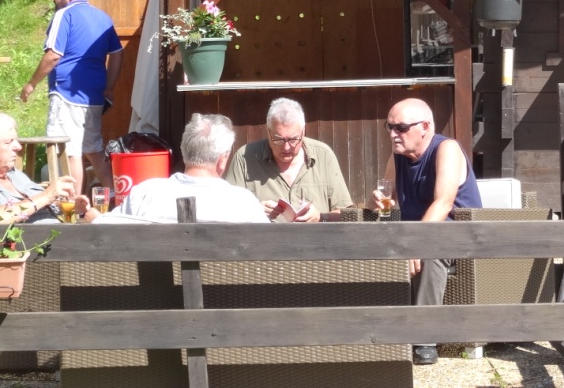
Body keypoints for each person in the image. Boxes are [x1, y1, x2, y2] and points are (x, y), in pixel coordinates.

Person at [369, 97, 482, 366]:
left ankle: (424, 338)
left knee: (432, 251)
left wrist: (415, 244)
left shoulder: (447, 149)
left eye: (401, 128)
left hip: (458, 237)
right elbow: (389, 202)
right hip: (417, 233)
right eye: (389, 127)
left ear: (425, 127)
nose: (394, 134)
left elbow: (443, 203)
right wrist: (377, 203)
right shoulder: (397, 158)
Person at [20, 0, 121, 191]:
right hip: (94, 95)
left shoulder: (64, 15)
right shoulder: (103, 17)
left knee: (70, 151)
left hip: (67, 92)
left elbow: (53, 55)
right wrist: (109, 87)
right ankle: (116, 200)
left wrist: (31, 84)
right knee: (93, 151)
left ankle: (74, 208)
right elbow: (117, 53)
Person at [108, 113, 267, 223]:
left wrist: (94, 216)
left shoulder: (144, 194)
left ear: (184, 151)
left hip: (158, 273)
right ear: (222, 159)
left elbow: (105, 230)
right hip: (224, 273)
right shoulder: (243, 202)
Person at [224, 97, 352, 222]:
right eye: (278, 139)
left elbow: (346, 214)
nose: (286, 147)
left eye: (293, 139)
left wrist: (321, 217)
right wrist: (254, 211)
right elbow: (226, 211)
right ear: (268, 132)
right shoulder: (245, 158)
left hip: (316, 242)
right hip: (264, 242)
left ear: (303, 131)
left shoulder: (323, 155)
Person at [0, 112, 94, 223]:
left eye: (16, 141)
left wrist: (66, 205)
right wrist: (46, 195)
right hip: (34, 239)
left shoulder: (14, 174)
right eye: (9, 142)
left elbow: (40, 203)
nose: (18, 147)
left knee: (98, 218)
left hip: (59, 234)